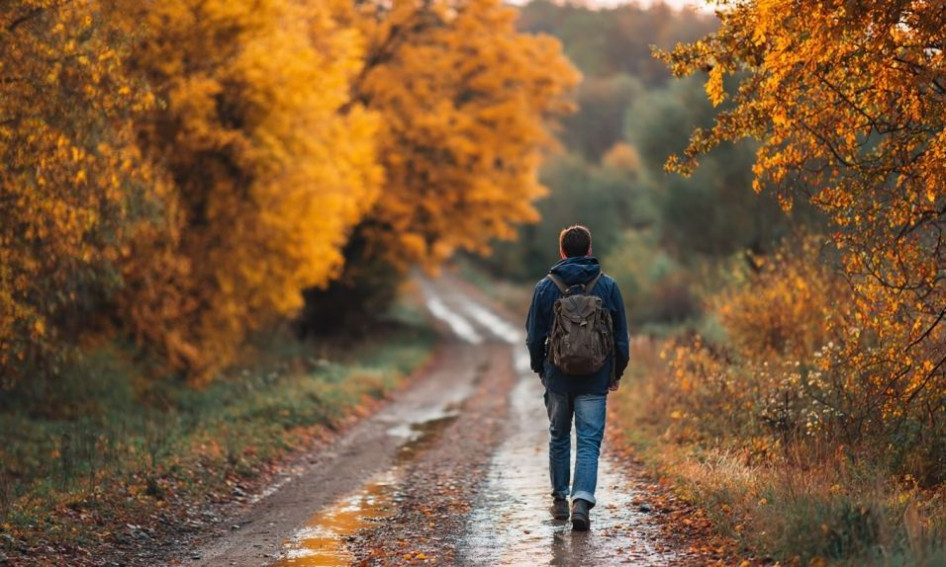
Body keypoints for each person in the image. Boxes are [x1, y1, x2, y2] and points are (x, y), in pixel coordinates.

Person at [525, 224, 629, 531]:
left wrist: (540, 369)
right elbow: (621, 338)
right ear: (589, 250)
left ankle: (559, 500)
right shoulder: (607, 286)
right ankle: (581, 501)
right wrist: (615, 372)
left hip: (557, 378)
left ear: (561, 251)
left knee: (559, 436)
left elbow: (534, 337)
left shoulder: (545, 287)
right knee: (588, 442)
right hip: (595, 379)